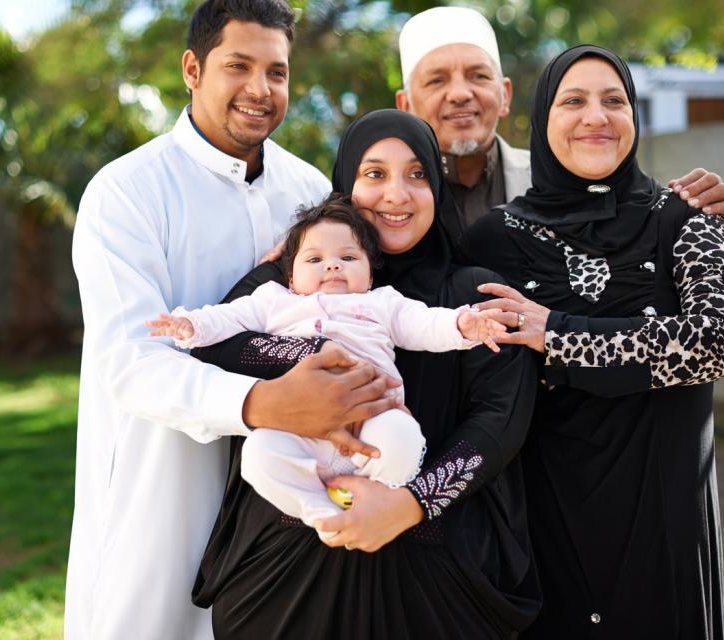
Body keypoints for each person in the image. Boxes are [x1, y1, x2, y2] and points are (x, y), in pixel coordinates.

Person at [65, 1, 401, 638]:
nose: (260, 89)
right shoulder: (126, 192)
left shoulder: (308, 194)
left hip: (290, 494)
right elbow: (132, 362)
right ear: (193, 68)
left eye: (276, 72)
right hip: (161, 484)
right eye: (238, 66)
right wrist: (267, 404)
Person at [192, 109, 541, 639]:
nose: (396, 194)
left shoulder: (472, 296)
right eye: (374, 174)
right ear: (346, 184)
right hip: (287, 574)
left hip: (437, 578)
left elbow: (500, 421)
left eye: (418, 174)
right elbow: (213, 349)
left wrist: (412, 503)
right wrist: (316, 353)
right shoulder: (288, 279)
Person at [459, 45, 724, 639]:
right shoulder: (494, 238)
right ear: (543, 120)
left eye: (614, 100)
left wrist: (560, 336)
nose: (596, 116)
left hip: (664, 523)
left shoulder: (684, 218)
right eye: (573, 101)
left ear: (634, 118)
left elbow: (723, 339)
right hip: (548, 528)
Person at [148, 195, 508, 538]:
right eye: (314, 259)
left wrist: (464, 325)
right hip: (299, 423)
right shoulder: (273, 301)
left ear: (369, 275)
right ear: (290, 278)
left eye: (348, 258)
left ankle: (371, 499)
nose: (332, 265)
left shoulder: (381, 303)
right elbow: (228, 318)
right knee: (258, 457)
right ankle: (319, 508)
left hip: (372, 417)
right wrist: (191, 326)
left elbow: (425, 324)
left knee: (404, 439)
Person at [394, 5, 724, 242]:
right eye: (437, 81)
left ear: (505, 95)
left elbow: (638, 227)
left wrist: (705, 223)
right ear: (405, 105)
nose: (460, 94)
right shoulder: (381, 200)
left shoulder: (569, 179)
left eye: (478, 76)